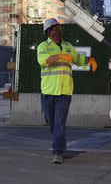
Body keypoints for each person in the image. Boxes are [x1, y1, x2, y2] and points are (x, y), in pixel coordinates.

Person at [37, 18, 97, 165]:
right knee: (52, 123)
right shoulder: (43, 46)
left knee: (59, 123)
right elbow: (43, 61)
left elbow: (77, 59)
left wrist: (89, 60)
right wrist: (60, 56)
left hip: (64, 93)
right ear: (49, 32)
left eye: (59, 28)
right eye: (55, 29)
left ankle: (57, 152)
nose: (58, 31)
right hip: (48, 92)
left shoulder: (68, 46)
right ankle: (60, 142)